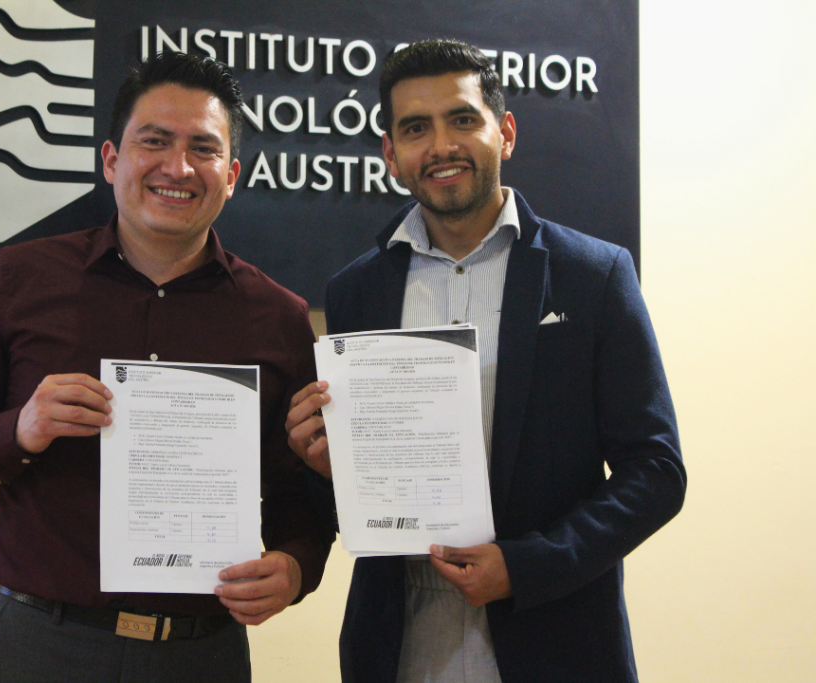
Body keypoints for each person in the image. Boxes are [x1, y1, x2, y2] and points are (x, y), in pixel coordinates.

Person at [0, 52, 333, 683]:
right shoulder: (20, 280)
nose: (177, 167)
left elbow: (304, 491)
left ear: (231, 175)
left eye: (203, 149)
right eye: (154, 142)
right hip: (40, 645)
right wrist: (19, 429)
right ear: (111, 159)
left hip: (201, 655)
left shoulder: (278, 318)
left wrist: (296, 566)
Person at [286, 39, 686, 683]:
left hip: (555, 642)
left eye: (462, 119)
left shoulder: (594, 275)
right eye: (416, 128)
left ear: (506, 133)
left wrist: (527, 566)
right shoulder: (356, 291)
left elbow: (657, 472)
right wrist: (329, 469)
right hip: (399, 646)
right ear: (390, 153)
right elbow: (350, 509)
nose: (441, 146)